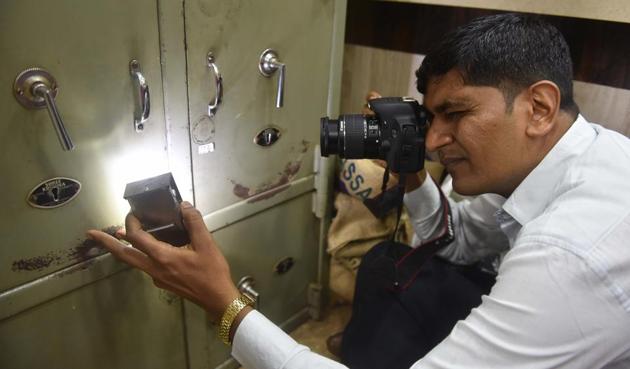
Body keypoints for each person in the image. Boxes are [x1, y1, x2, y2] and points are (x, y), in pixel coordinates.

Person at [88, 13, 630, 368]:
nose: (436, 139)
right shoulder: (582, 156)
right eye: (431, 118)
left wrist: (224, 304)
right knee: (385, 263)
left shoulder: (569, 256)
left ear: (537, 107)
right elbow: (460, 243)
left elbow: (544, 263)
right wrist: (415, 176)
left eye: (456, 114)